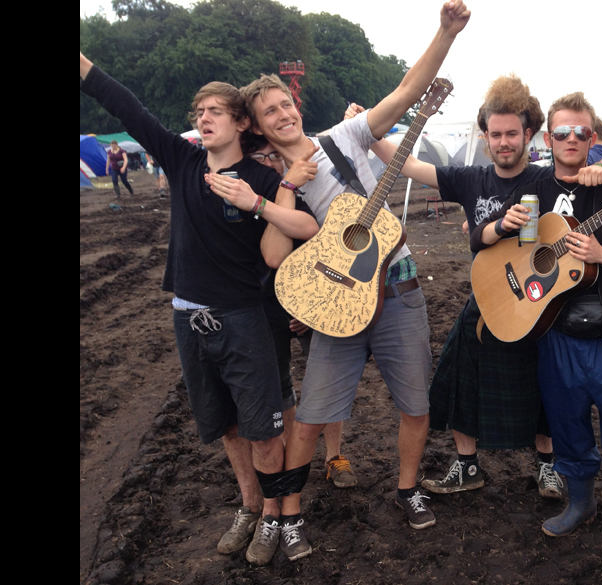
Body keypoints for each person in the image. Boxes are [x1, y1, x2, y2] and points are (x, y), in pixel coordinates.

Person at [242, 0, 471, 561]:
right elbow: (276, 255)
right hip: (338, 307)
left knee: (415, 405)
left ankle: (408, 488)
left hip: (400, 293)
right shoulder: (272, 176)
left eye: (283, 104)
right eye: (269, 112)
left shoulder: (342, 137)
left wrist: (444, 33)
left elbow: (403, 94)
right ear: (260, 126)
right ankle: (290, 513)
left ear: (295, 103)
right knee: (315, 413)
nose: (282, 115)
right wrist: (285, 186)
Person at [80, 52, 320, 567]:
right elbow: (128, 109)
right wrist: (85, 68)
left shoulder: (261, 178)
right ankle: (250, 505)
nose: (204, 119)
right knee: (226, 426)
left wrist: (277, 190)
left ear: (239, 122)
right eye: (198, 112)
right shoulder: (181, 159)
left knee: (263, 427)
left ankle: (277, 513)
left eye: (215, 111)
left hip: (245, 317)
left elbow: (284, 251)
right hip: (189, 316)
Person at [350, 75, 602, 501]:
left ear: (528, 135)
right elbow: (406, 163)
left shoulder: (544, 179)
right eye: (495, 134)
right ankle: (466, 465)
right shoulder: (469, 178)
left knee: (542, 383)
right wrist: (365, 132)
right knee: (461, 379)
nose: (504, 142)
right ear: (485, 137)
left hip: (534, 300)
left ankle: (547, 467)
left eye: (512, 134)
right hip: (486, 295)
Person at [470, 92, 602, 568]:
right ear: (548, 138)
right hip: (555, 335)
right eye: (561, 132)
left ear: (594, 137)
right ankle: (581, 503)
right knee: (567, 428)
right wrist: (505, 230)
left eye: (580, 132)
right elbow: (495, 242)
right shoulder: (533, 187)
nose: (570, 139)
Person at [245, 135, 358, 490]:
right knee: (280, 385)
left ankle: (334, 456)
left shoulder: (305, 202)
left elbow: (330, 260)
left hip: (312, 303)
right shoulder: (244, 202)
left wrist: (310, 310)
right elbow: (267, 258)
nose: (268, 163)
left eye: (273, 156)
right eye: (259, 157)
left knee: (326, 382)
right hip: (265, 304)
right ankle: (295, 456)